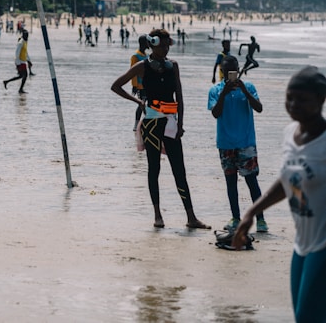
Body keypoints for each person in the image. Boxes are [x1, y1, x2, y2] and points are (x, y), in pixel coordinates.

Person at [233, 66, 326, 322]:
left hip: (323, 246)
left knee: (309, 316)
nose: (293, 104)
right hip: (302, 244)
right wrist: (251, 212)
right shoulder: (289, 134)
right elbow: (290, 181)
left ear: (321, 99)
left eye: (302, 99)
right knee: (303, 316)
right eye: (289, 97)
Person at [111, 28, 211, 230]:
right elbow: (116, 86)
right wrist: (138, 101)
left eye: (168, 45)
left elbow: (179, 97)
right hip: (151, 124)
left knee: (179, 170)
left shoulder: (173, 65)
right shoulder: (142, 66)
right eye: (162, 45)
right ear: (152, 44)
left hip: (171, 123)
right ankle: (157, 215)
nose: (166, 49)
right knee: (154, 169)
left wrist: (181, 124)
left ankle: (191, 217)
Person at [208, 55, 266, 233]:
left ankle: (261, 220)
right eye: (226, 71)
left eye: (233, 70)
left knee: (251, 181)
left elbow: (259, 108)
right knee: (231, 182)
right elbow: (216, 113)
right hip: (226, 143)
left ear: (238, 69)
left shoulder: (248, 86)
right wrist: (224, 93)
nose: (229, 74)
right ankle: (235, 217)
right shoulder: (216, 90)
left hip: (246, 142)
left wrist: (244, 91)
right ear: (222, 71)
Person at [130, 36, 150, 130]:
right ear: (143, 43)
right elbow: (132, 72)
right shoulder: (135, 56)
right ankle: (136, 124)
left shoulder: (146, 55)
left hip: (147, 84)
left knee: (147, 103)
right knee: (141, 103)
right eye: (147, 42)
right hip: (140, 85)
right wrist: (134, 86)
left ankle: (148, 121)